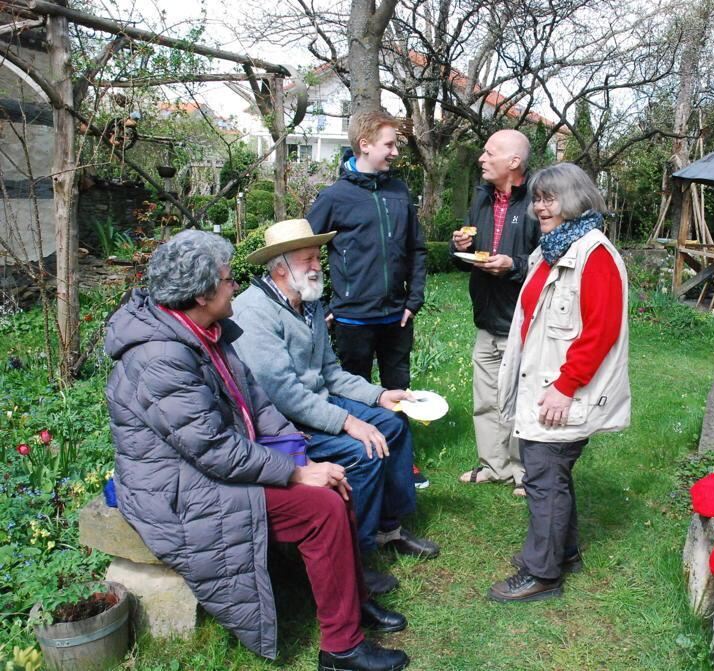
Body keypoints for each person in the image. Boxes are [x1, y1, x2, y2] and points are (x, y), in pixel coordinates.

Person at [105, 231, 410, 671]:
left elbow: (259, 405)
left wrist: (303, 458)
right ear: (202, 292)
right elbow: (211, 448)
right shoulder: (160, 356)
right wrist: (295, 474)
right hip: (178, 488)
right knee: (320, 507)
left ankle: (352, 602)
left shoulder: (206, 330)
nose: (235, 286)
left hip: (212, 466)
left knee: (335, 483)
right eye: (228, 280)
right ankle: (342, 649)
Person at [232, 219, 440, 596]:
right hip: (281, 426)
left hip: (316, 404)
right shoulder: (255, 312)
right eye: (307, 258)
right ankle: (353, 558)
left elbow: (330, 372)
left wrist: (379, 396)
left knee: (392, 422)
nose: (317, 265)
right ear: (280, 267)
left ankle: (386, 529)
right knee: (363, 450)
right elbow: (282, 395)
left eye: (317, 256)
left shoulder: (307, 303)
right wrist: (347, 422)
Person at [489, 163, 631, 603]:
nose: (540, 207)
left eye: (550, 198)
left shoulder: (595, 255)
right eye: (537, 198)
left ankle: (542, 574)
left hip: (561, 390)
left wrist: (566, 386)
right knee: (552, 473)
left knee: (544, 477)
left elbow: (600, 331)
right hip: (546, 383)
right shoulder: (553, 250)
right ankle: (562, 552)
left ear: (575, 199)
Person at [450, 129, 540, 496]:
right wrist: (462, 246)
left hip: (521, 322)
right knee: (485, 399)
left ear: (513, 162)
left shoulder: (540, 200)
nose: (481, 159)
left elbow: (551, 259)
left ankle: (524, 473)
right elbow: (472, 259)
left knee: (522, 400)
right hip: (486, 318)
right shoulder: (482, 198)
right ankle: (493, 465)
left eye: (490, 153)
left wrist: (514, 265)